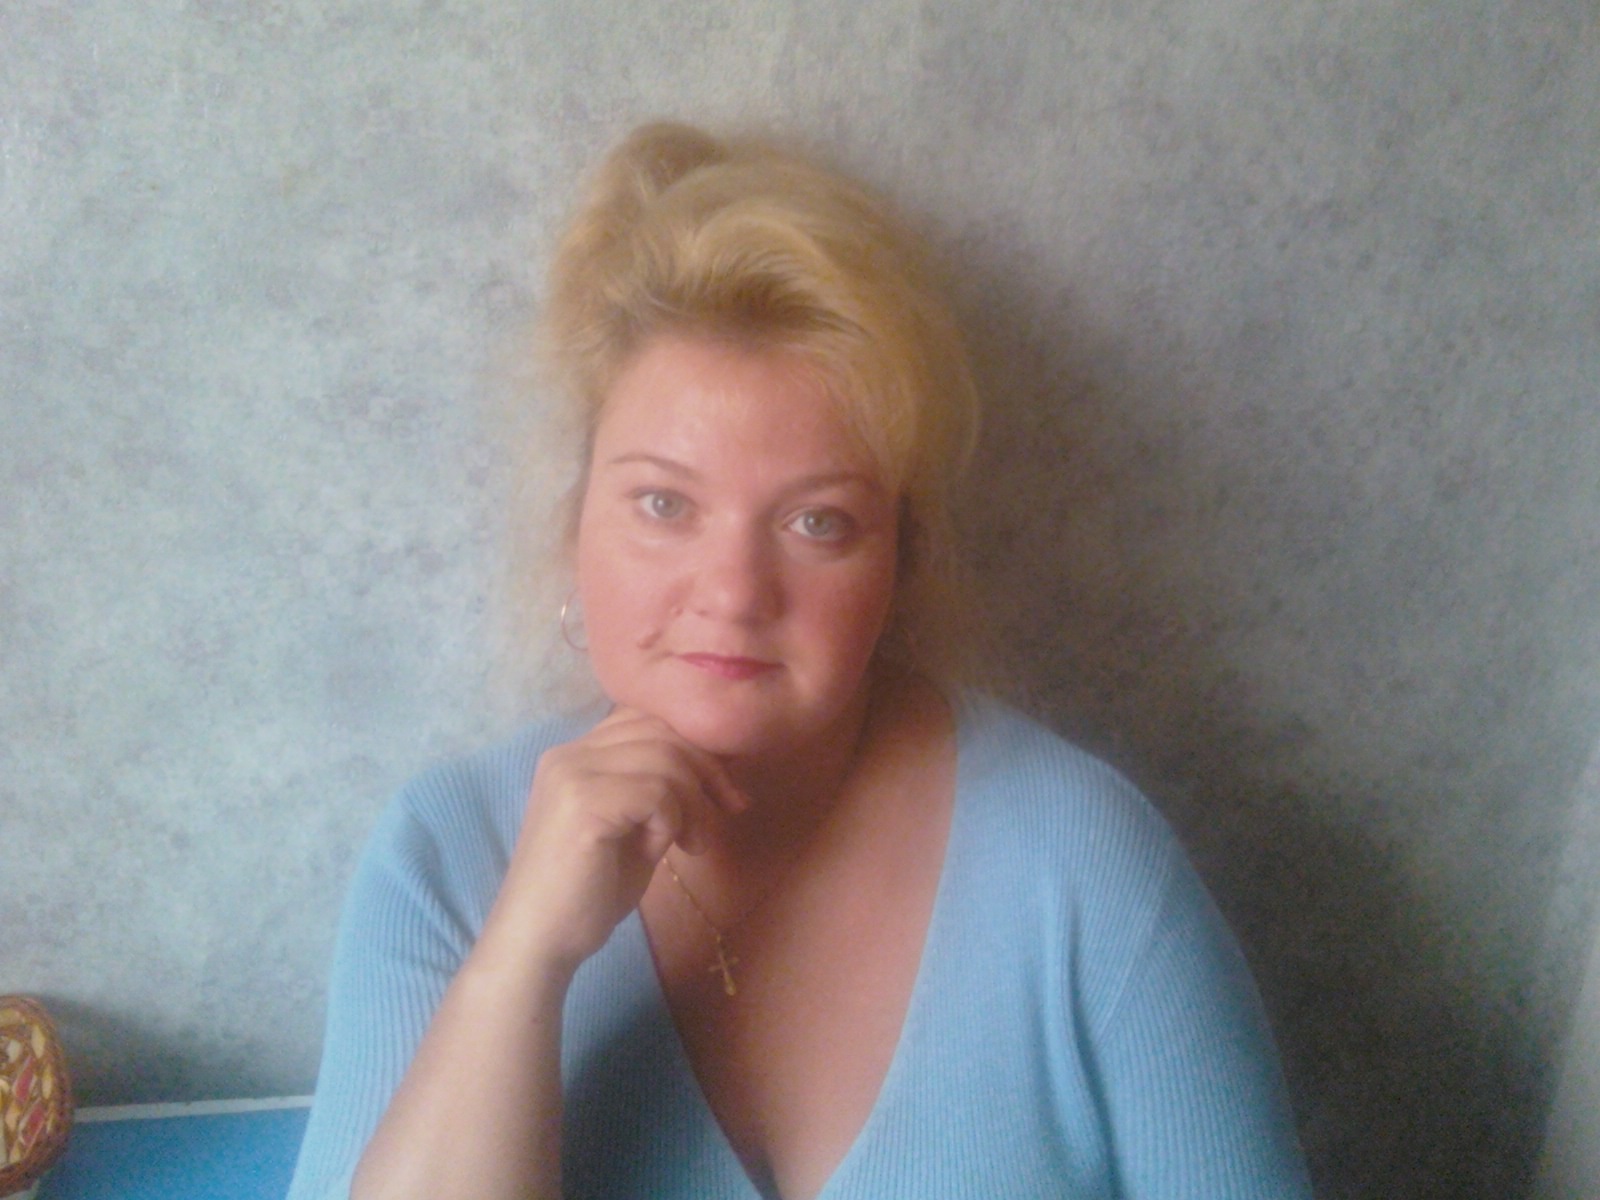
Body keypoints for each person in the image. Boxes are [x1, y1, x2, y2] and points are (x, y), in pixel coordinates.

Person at [286, 121, 1313, 1200]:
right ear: (574, 525)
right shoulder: (441, 858)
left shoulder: (1086, 865)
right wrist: (522, 961)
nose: (734, 591)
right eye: (663, 504)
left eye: (817, 522)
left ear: (901, 562)